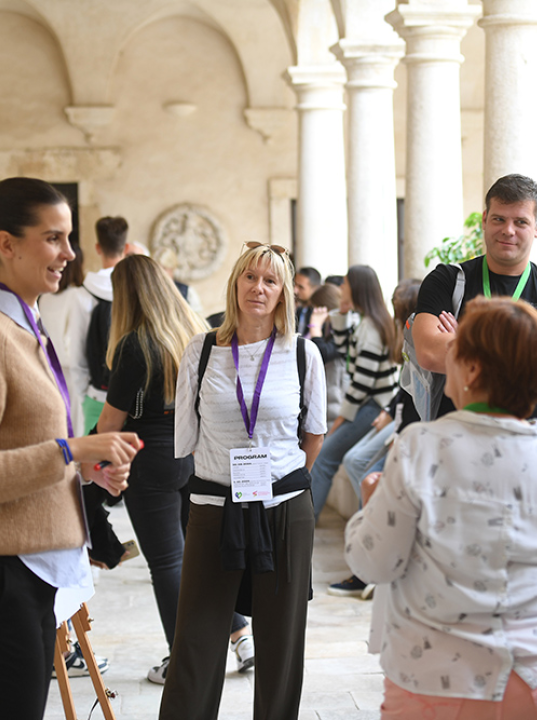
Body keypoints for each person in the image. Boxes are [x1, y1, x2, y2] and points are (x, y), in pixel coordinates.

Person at [0, 176, 140, 719]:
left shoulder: (22, 324)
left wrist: (84, 469)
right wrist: (69, 451)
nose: (70, 253)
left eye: (69, 238)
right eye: (53, 238)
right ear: (7, 244)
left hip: (22, 576)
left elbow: (25, 446)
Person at [345, 297, 537, 720]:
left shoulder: (420, 448)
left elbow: (373, 562)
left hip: (433, 685)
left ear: (470, 370)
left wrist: (368, 508)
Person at [159, 242, 327, 720]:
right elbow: (188, 437)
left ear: (283, 293)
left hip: (284, 508)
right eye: (249, 277)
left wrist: (273, 480)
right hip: (214, 507)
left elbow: (313, 435)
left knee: (281, 639)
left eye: (270, 280)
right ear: (235, 284)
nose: (258, 287)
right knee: (196, 636)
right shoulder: (201, 350)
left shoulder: (302, 353)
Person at [90, 254, 241, 682]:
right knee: (204, 555)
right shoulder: (195, 330)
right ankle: (241, 636)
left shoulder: (134, 345)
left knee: (168, 563)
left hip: (151, 460)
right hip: (197, 454)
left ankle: (185, 661)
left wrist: (82, 449)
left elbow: (111, 423)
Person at [412, 174, 537, 433]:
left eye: (521, 222)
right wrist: (526, 353)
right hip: (456, 442)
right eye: (499, 219)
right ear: (484, 220)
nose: (508, 230)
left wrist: (465, 343)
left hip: (530, 446)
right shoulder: (446, 281)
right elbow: (428, 353)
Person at [328, 277, 422, 598]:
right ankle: (369, 555)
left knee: (359, 469)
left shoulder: (413, 336)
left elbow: (368, 385)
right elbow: (404, 388)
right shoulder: (394, 332)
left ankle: (371, 559)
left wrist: (343, 419)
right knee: (358, 465)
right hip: (393, 418)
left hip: (393, 421)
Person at [310, 265, 398, 519]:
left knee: (324, 458)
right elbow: (345, 349)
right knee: (333, 458)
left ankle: (306, 525)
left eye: (345, 284)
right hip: (369, 403)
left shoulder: (370, 329)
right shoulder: (368, 322)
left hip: (373, 404)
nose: (341, 288)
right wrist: (341, 313)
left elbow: (362, 384)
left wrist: (341, 418)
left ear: (357, 288)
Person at [39, 241, 95, 435]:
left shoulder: (44, 297)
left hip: (49, 370)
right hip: (74, 373)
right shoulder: (78, 296)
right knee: (76, 430)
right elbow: (77, 340)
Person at [83, 215, 129, 434]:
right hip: (131, 398)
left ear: (97, 248)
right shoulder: (135, 289)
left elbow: (78, 352)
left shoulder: (84, 291)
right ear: (126, 247)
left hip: (95, 394)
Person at [307, 282, 343, 421]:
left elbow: (323, 353)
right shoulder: (329, 326)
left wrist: (315, 326)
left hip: (338, 400)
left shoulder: (343, 327)